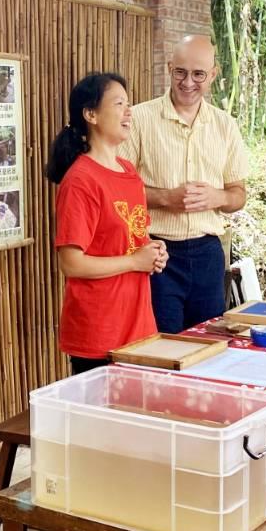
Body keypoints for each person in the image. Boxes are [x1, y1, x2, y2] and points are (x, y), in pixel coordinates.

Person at [120, 35, 248, 334]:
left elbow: (238, 195)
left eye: (198, 74)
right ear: (169, 68)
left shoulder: (225, 125)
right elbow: (117, 192)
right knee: (160, 347)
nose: (188, 82)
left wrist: (217, 197)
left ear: (213, 75)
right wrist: (165, 198)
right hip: (156, 253)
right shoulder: (139, 118)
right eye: (180, 72)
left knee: (208, 346)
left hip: (208, 253)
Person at [46, 72, 168, 374]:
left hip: (138, 326)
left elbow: (130, 239)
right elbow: (72, 263)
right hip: (100, 333)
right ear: (91, 115)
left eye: (129, 103)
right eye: (119, 103)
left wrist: (153, 252)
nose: (129, 112)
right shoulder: (81, 180)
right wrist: (134, 261)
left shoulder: (127, 170)